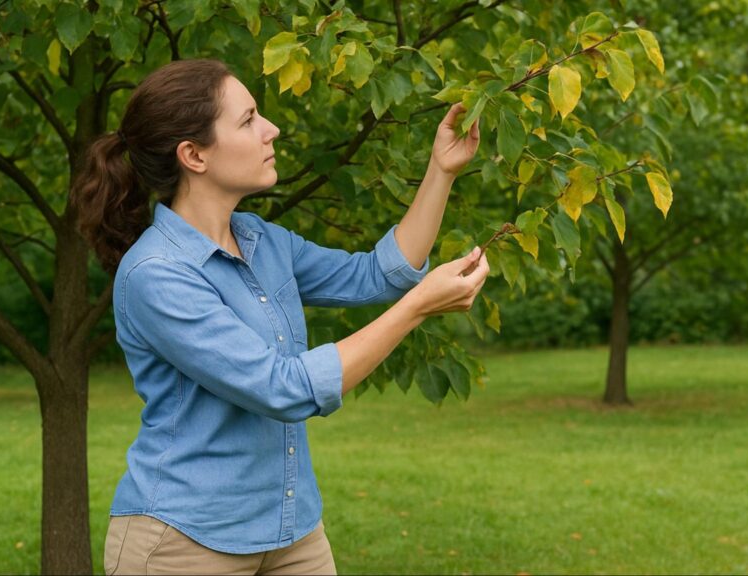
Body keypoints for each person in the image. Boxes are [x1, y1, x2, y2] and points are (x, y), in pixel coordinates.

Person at [70, 58, 489, 575]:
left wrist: (441, 170)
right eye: (247, 120)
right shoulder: (157, 275)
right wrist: (419, 307)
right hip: (183, 543)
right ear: (193, 155)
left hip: (292, 532)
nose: (272, 129)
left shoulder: (261, 239)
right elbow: (283, 389)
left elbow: (378, 275)